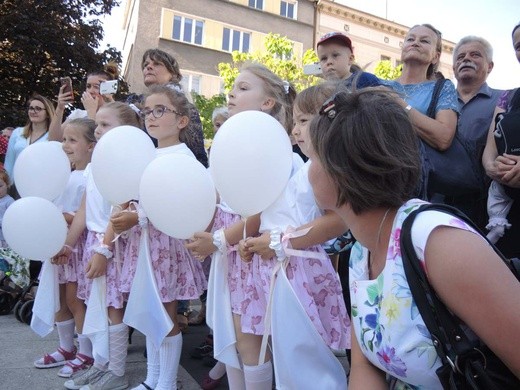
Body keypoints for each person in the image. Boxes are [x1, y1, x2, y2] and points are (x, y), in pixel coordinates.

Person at [307, 87, 520, 388]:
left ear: (341, 169)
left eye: (312, 158)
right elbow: (364, 363)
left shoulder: (439, 244)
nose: (307, 169)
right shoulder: (359, 252)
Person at [238, 81, 351, 389]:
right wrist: (257, 241)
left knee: (305, 356)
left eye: (303, 121)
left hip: (297, 267)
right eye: (295, 122)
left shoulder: (323, 169)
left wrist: (277, 242)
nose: (295, 130)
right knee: (287, 353)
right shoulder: (308, 168)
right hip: (281, 265)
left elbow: (337, 221)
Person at [100, 85, 207, 390]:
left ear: (182, 120)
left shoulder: (183, 156)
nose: (151, 117)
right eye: (147, 111)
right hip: (142, 244)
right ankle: (152, 377)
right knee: (149, 309)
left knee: (166, 312)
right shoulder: (146, 152)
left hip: (165, 246)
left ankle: (167, 382)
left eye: (160, 110)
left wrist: (139, 216)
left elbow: (180, 202)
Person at [55, 102, 142, 390]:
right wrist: (67, 245)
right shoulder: (94, 166)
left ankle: (117, 373)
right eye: (98, 124)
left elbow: (118, 211)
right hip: (93, 242)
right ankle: (102, 364)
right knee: (98, 307)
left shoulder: (125, 164)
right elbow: (83, 211)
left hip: (111, 245)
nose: (99, 130)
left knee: (113, 308)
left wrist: (103, 250)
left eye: (106, 124)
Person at [34, 118, 96, 378]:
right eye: (64, 139)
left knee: (74, 298)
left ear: (91, 146)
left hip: (76, 245)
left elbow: (87, 213)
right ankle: (65, 347)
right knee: (59, 297)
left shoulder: (90, 176)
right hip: (56, 242)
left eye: (73, 140)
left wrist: (66, 218)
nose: (66, 145)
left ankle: (86, 351)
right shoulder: (65, 173)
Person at [380, 24, 459, 200]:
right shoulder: (380, 85)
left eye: (424, 41)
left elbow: (444, 137)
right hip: (376, 178)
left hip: (418, 187)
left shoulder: (442, 88)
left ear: (435, 56)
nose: (415, 43)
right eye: (410, 39)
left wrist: (398, 103)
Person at [451, 35, 503, 229]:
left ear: (489, 66)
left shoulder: (504, 101)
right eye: (461, 57)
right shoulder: (437, 102)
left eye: (475, 55)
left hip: (483, 205)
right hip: (434, 198)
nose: (466, 59)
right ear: (454, 67)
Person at [127, 48, 208, 169]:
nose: (148, 67)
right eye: (145, 65)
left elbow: (198, 158)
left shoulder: (185, 108)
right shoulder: (135, 103)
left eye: (157, 64)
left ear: (173, 74)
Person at [482, 22, 520, 256]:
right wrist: (492, 168)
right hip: (510, 213)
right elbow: (490, 147)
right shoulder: (509, 97)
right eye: (519, 46)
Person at [4, 94, 57, 190]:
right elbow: (9, 162)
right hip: (14, 186)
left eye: (38, 108)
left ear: (48, 113)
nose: (33, 111)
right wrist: (6, 185)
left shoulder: (52, 136)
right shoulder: (18, 133)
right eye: (31, 108)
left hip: (39, 186)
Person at [0, 170, 15, 247]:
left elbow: (13, 219)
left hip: (4, 238)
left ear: (7, 185)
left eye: (0, 186)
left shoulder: (9, 201)